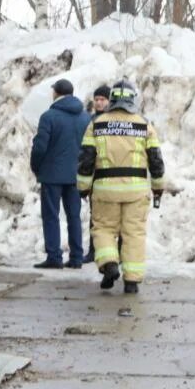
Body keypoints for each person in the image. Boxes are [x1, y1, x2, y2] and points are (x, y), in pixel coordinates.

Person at [77, 79, 164, 294]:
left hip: (105, 190)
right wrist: (158, 187)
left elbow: (86, 160)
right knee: (134, 234)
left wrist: (83, 187)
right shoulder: (144, 124)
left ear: (112, 99)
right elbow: (156, 160)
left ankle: (110, 264)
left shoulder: (97, 124)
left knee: (104, 229)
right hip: (136, 192)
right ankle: (132, 282)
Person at [31, 78, 93, 269]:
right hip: (75, 175)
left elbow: (40, 147)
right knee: (74, 215)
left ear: (56, 93)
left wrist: (36, 166)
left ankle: (54, 257)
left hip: (52, 175)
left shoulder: (49, 117)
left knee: (51, 215)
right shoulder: (85, 117)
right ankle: (76, 257)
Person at [83, 84, 114, 264]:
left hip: (111, 175)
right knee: (95, 216)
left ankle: (115, 251)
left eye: (102, 99)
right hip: (96, 176)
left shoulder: (113, 121)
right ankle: (93, 250)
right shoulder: (92, 121)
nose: (99, 103)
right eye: (96, 100)